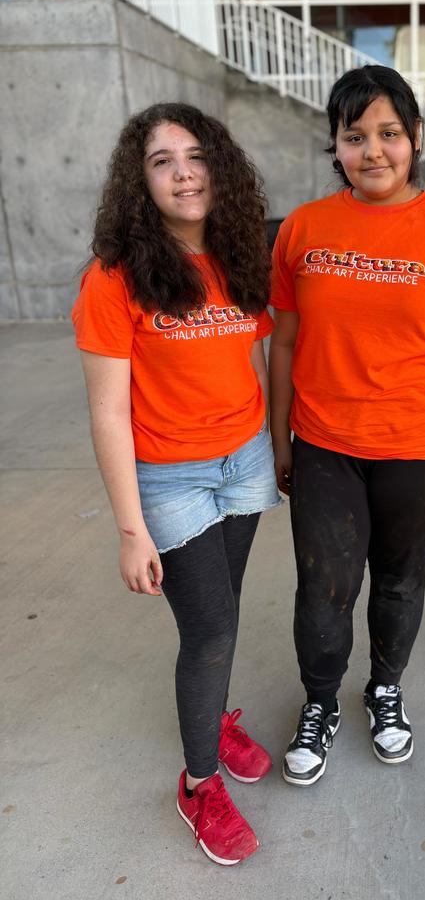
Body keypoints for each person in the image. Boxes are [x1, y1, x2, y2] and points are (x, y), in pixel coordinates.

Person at [269, 65, 425, 786]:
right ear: (335, 145)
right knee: (322, 589)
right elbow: (282, 342)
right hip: (325, 447)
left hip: (419, 449)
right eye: (354, 136)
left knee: (399, 582)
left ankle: (385, 689)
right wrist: (280, 442)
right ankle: (319, 701)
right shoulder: (304, 229)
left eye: (389, 134)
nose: (373, 151)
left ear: (416, 139)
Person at [72, 103, 280, 865]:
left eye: (195, 156)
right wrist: (131, 528)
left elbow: (252, 356)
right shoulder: (115, 278)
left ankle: (216, 718)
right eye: (162, 161)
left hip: (245, 461)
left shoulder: (237, 253)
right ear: (141, 180)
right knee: (212, 628)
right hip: (171, 477)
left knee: (219, 611)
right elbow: (106, 412)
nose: (184, 172)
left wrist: (272, 443)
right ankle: (198, 783)